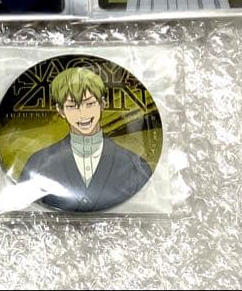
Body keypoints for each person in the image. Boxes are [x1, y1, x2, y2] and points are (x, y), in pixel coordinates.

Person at [18, 67, 152, 212]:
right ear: (61, 111)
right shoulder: (37, 163)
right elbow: (25, 209)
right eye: (72, 106)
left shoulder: (135, 166)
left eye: (90, 104)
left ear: (102, 104)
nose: (83, 114)